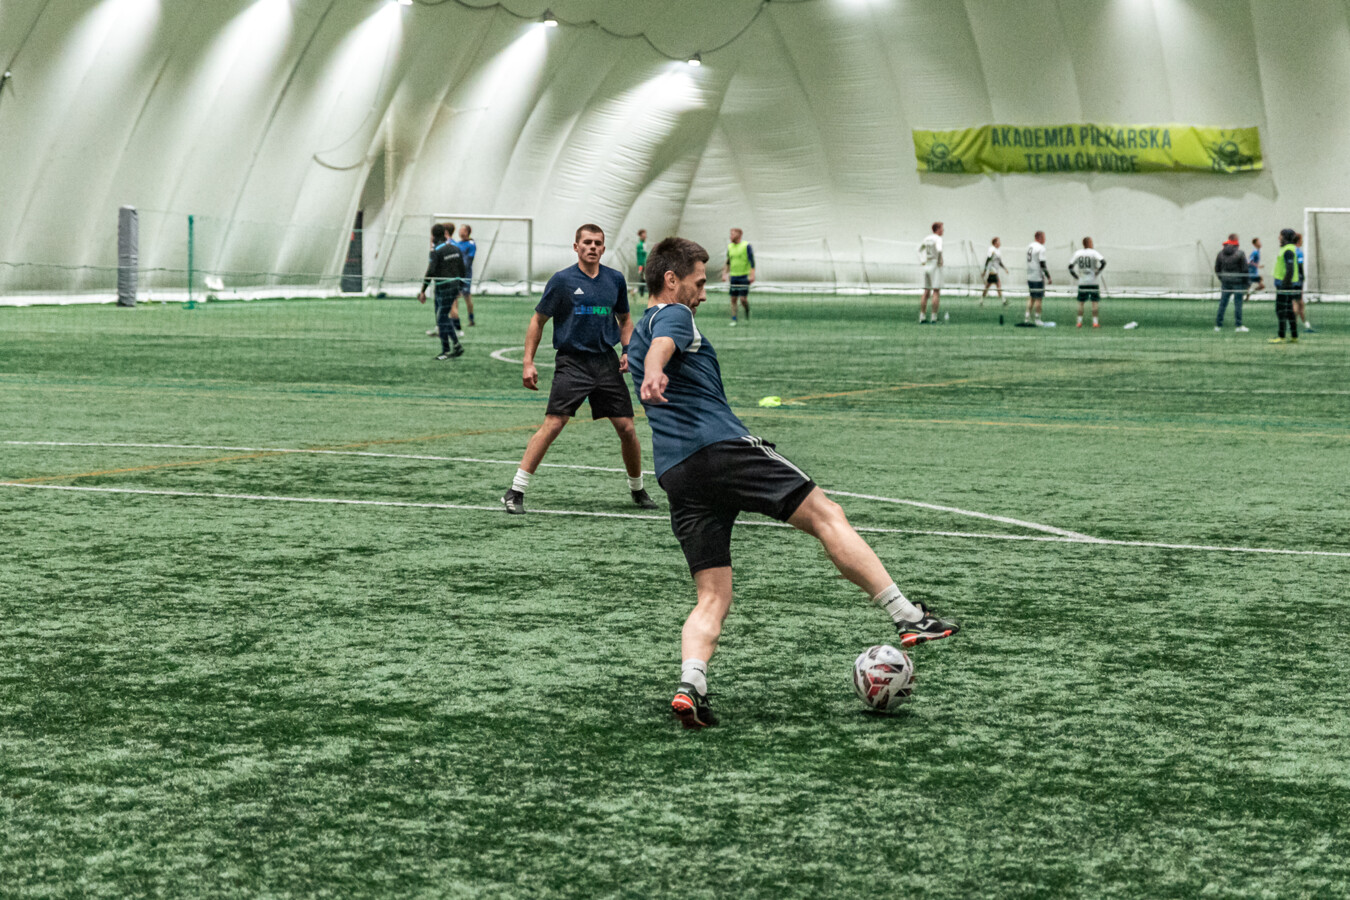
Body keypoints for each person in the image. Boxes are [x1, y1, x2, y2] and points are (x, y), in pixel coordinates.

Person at [626, 236, 961, 729]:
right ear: (671, 280)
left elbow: (650, 349)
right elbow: (663, 346)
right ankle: (909, 617)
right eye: (698, 282)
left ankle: (691, 684)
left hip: (677, 472)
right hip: (721, 449)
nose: (704, 292)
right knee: (827, 515)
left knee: (713, 595)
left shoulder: (638, 331)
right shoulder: (673, 315)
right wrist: (655, 370)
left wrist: (642, 365)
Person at [501, 224, 659, 514]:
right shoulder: (562, 281)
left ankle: (638, 490)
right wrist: (528, 362)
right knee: (554, 424)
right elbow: (538, 320)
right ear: (576, 247)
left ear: (603, 248)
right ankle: (515, 490)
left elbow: (625, 320)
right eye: (587, 242)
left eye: (597, 243)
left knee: (627, 428)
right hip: (572, 363)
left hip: (606, 363)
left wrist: (627, 350)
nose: (592, 247)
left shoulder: (615, 279)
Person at [416, 223, 465, 360]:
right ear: (444, 234)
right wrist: (460, 287)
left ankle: (450, 348)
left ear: (433, 236)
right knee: (443, 317)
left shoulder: (436, 251)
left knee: (442, 318)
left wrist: (423, 291)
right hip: (454, 286)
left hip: (443, 287)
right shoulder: (455, 248)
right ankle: (452, 348)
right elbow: (462, 269)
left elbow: (431, 271)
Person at [425, 222, 456, 338]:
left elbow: (432, 269)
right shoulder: (442, 246)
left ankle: (456, 331)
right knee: (442, 308)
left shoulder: (447, 246)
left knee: (447, 310)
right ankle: (441, 329)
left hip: (447, 283)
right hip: (447, 282)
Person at [1214, 234, 1250, 332]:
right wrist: (1246, 283)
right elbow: (1245, 269)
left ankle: (1218, 325)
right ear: (1236, 241)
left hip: (1225, 281)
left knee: (1222, 303)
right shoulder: (1240, 253)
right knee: (1238, 304)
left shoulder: (1220, 253)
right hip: (1238, 282)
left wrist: (1222, 278)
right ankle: (1238, 325)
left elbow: (1217, 268)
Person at [1270, 228, 1300, 344]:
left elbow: (1290, 269)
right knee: (1289, 310)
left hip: (1285, 285)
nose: (1279, 238)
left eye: (1281, 236)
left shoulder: (1288, 251)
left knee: (1281, 310)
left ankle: (1281, 336)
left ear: (1285, 237)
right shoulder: (1288, 249)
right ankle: (1294, 336)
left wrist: (1284, 284)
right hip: (1287, 284)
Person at [1068, 237, 1106, 328]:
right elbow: (1103, 262)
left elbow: (1070, 267)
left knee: (1081, 302)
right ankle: (1095, 322)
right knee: (1094, 302)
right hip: (1093, 281)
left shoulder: (1078, 253)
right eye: (1091, 242)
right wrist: (1098, 271)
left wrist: (1075, 276)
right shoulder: (1094, 252)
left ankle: (1079, 322)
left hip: (1082, 281)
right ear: (1089, 243)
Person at [721, 227, 755, 326]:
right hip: (734, 277)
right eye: (730, 234)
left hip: (744, 277)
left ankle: (747, 311)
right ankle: (734, 319)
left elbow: (752, 262)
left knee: (743, 299)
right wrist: (725, 274)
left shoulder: (746, 246)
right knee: (733, 299)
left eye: (732, 234)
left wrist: (752, 275)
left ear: (739, 235)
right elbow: (728, 261)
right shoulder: (730, 247)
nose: (730, 236)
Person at [918, 222, 944, 324]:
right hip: (934, 265)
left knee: (926, 291)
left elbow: (918, 250)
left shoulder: (927, 238)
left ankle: (922, 316)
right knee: (936, 291)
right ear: (937, 229)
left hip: (927, 264)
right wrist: (940, 260)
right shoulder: (938, 239)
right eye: (942, 228)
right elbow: (939, 250)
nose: (943, 230)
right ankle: (934, 317)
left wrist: (922, 260)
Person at [452, 224, 476, 328]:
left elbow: (468, 261)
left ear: (467, 232)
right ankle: (455, 318)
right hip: (457, 274)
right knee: (455, 296)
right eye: (460, 230)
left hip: (465, 274)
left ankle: (471, 318)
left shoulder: (471, 244)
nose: (460, 232)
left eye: (462, 230)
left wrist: (461, 268)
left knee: (466, 296)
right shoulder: (458, 244)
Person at [1025, 231, 1051, 325]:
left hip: (1030, 276)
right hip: (1038, 276)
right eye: (1044, 237)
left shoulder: (1029, 246)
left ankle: (1027, 318)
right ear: (1039, 237)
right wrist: (1048, 276)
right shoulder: (1041, 248)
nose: (1045, 239)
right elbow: (1042, 263)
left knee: (1031, 297)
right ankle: (1037, 319)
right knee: (1039, 298)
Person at [979, 237, 1008, 307]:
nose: (1000, 243)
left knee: (988, 286)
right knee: (998, 285)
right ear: (995, 243)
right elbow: (988, 260)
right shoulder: (991, 249)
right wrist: (985, 271)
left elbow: (999, 262)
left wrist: (1005, 268)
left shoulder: (998, 251)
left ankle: (981, 300)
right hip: (993, 271)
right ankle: (1003, 300)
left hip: (994, 271)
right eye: (998, 242)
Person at [1294, 233, 1314, 332]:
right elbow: (1300, 265)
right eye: (1301, 240)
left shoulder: (1290, 251)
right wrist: (1302, 277)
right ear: (1298, 241)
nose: (1302, 241)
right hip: (1298, 280)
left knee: (1298, 301)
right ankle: (1296, 322)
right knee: (1297, 302)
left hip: (1291, 280)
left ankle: (1302, 321)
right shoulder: (1299, 253)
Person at [634, 229, 649, 298]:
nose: (645, 236)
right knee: (642, 277)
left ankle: (641, 292)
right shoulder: (639, 245)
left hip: (644, 264)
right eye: (644, 234)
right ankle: (639, 292)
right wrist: (641, 265)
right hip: (641, 265)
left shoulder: (644, 244)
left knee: (644, 277)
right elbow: (640, 256)